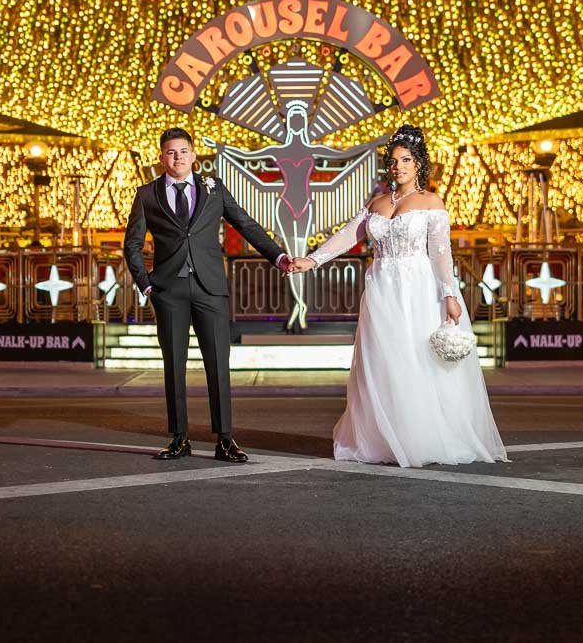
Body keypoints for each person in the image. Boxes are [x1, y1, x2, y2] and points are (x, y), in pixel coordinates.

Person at [292, 124, 507, 468]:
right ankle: (384, 439)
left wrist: (449, 294)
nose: (399, 166)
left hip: (418, 289)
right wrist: (312, 259)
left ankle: (420, 438)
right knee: (381, 361)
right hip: (381, 288)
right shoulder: (376, 203)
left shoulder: (431, 202)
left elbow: (439, 253)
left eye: (406, 160)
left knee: (415, 361)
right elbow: (349, 235)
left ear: (419, 163)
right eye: (393, 161)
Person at [124, 127, 290, 463]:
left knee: (218, 365)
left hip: (210, 289)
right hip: (168, 291)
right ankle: (180, 438)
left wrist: (278, 256)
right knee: (175, 366)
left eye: (183, 151)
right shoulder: (146, 194)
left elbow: (245, 224)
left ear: (193, 155)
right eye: (171, 152)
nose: (178, 158)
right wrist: (146, 284)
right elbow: (133, 244)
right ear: (162, 157)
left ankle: (225, 439)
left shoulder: (213, 188)